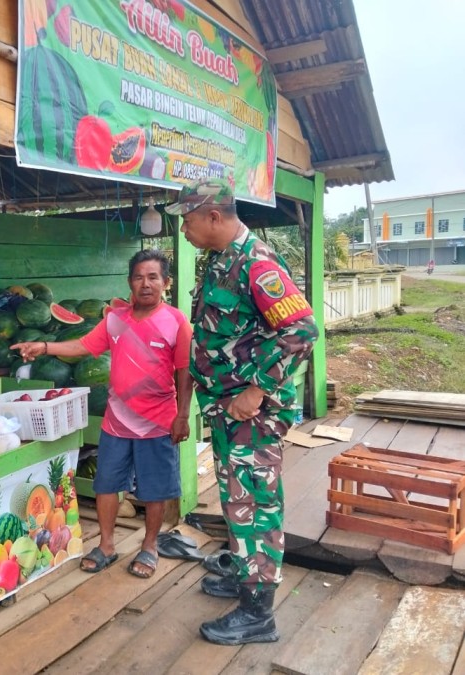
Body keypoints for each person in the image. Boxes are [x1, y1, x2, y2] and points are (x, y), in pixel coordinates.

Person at [166, 178, 318, 646]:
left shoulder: (258, 263)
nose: (185, 230)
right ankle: (243, 572)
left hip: (252, 413)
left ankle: (259, 613)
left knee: (255, 502)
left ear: (214, 216)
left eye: (187, 221)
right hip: (227, 410)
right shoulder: (219, 261)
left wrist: (256, 389)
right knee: (236, 498)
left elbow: (302, 331)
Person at [11, 249, 192, 580]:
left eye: (153, 277)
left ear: (165, 282)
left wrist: (183, 415)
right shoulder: (115, 320)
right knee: (106, 484)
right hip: (117, 422)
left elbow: (184, 371)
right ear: (129, 282)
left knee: (155, 490)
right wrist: (45, 347)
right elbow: (83, 346)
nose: (146, 284)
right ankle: (106, 546)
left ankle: (149, 547)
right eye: (139, 277)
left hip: (158, 422)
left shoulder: (177, 322)